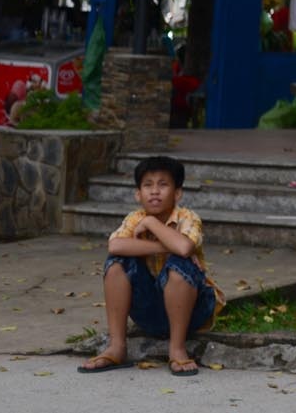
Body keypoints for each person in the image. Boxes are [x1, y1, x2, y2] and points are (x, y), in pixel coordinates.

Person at [78, 155, 222, 377]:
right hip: (150, 311)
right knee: (117, 262)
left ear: (177, 193)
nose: (155, 191)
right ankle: (117, 347)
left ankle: (177, 349)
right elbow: (115, 245)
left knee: (180, 263)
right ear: (138, 194)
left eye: (163, 185)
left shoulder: (188, 217)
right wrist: (165, 246)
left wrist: (151, 223)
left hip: (193, 312)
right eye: (148, 185)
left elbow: (184, 247)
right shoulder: (135, 218)